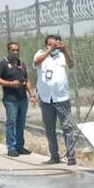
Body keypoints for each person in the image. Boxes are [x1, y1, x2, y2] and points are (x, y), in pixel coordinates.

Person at [33, 34, 77, 166]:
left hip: (61, 98)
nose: (54, 46)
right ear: (46, 45)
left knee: (67, 127)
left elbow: (71, 65)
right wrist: (49, 50)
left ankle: (71, 157)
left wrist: (64, 51)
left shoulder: (62, 55)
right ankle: (54, 156)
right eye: (51, 44)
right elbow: (36, 63)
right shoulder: (41, 54)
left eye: (56, 44)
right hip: (46, 99)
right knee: (50, 129)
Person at [0, 41, 34, 156]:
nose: (15, 52)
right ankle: (11, 147)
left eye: (17, 50)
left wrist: (32, 95)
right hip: (11, 99)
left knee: (21, 122)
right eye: (13, 50)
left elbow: (26, 80)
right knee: (11, 122)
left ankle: (20, 146)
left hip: (22, 98)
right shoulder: (3, 64)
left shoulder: (22, 64)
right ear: (8, 51)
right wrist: (10, 83)